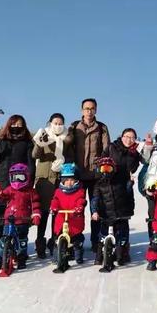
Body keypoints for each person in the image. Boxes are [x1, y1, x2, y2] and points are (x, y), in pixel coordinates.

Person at [67, 98, 110, 252]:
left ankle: (95, 241)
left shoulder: (102, 128)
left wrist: (103, 166)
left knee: (96, 209)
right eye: (86, 108)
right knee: (75, 209)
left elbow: (106, 150)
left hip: (95, 176)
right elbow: (67, 147)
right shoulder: (74, 126)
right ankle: (74, 240)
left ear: (96, 110)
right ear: (81, 110)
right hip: (77, 174)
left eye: (92, 108)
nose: (89, 111)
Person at [32, 113, 73, 258]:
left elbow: (71, 157)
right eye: (55, 122)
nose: (58, 125)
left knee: (58, 214)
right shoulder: (45, 136)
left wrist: (63, 163)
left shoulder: (67, 139)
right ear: (50, 123)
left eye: (60, 123)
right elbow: (35, 155)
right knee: (43, 213)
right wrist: (38, 142)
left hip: (60, 180)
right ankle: (40, 244)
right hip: (44, 180)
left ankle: (55, 242)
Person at [0, 114, 35, 247]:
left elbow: (31, 163)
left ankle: (20, 246)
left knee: (20, 215)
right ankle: (2, 246)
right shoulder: (2, 140)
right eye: (13, 124)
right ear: (8, 125)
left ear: (24, 126)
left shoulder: (27, 142)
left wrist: (30, 181)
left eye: (19, 124)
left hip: (21, 182)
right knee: (2, 216)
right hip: (3, 180)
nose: (16, 127)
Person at [99, 128, 141, 263]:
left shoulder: (134, 152)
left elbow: (133, 169)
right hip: (110, 184)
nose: (129, 139)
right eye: (127, 136)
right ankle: (103, 247)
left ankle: (123, 249)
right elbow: (102, 161)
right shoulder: (111, 147)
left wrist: (133, 154)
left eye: (133, 137)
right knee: (107, 216)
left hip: (124, 185)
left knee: (123, 219)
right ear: (122, 136)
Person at [90, 156, 136, 270]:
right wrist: (94, 211)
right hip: (105, 215)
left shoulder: (120, 182)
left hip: (121, 214)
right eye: (103, 169)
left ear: (114, 170)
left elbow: (128, 195)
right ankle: (99, 256)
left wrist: (130, 184)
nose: (106, 172)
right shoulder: (98, 185)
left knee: (122, 236)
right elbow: (95, 199)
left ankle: (122, 255)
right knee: (102, 235)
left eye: (108, 169)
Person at [0, 163, 41, 270]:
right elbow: (2, 198)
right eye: (14, 177)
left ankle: (21, 258)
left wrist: (36, 215)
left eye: (21, 177)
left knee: (22, 241)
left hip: (23, 220)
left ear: (26, 177)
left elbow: (36, 204)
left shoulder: (30, 192)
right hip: (8, 220)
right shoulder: (10, 189)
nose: (17, 181)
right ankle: (0, 259)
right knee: (4, 241)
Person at [50, 163, 87, 272]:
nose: (69, 182)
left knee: (77, 241)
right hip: (62, 220)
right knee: (57, 240)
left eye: (71, 180)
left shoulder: (79, 191)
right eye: (66, 180)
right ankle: (57, 258)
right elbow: (55, 200)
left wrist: (79, 207)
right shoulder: (58, 192)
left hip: (74, 219)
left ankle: (79, 255)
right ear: (62, 181)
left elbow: (81, 199)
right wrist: (54, 207)